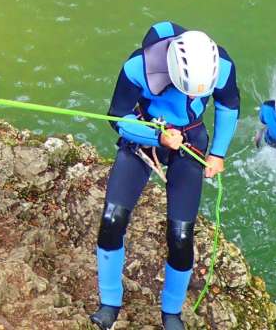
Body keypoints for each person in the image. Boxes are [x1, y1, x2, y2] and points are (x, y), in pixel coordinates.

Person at [91, 22, 240, 330]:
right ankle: (109, 302)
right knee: (112, 219)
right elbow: (117, 118)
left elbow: (228, 105)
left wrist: (218, 153)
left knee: (181, 235)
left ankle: (171, 312)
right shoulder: (138, 66)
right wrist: (156, 138)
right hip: (146, 134)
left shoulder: (221, 66)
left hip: (189, 140)